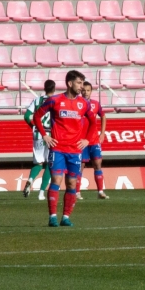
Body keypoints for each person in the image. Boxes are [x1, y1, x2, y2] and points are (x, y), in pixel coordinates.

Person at [33, 70, 96, 227]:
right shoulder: (55, 100)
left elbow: (93, 122)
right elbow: (36, 116)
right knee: (56, 180)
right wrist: (45, 136)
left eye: (82, 83)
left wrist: (87, 140)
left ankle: (66, 217)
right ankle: (52, 216)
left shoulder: (84, 104)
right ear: (70, 83)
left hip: (75, 150)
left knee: (72, 184)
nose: (81, 86)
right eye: (79, 83)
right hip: (58, 148)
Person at [22, 80, 56, 201]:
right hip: (51, 135)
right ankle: (41, 193)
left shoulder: (37, 100)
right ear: (54, 89)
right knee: (49, 164)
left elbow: (26, 116)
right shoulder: (55, 100)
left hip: (38, 134)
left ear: (44, 88)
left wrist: (34, 127)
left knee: (38, 163)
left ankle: (30, 180)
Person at [76, 82, 108, 200]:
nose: (85, 92)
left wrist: (102, 133)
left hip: (94, 140)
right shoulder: (77, 103)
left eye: (88, 90)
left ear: (91, 91)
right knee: (81, 166)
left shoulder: (95, 104)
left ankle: (100, 191)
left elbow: (103, 116)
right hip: (81, 140)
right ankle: (77, 192)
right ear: (80, 91)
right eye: (83, 90)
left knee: (97, 164)